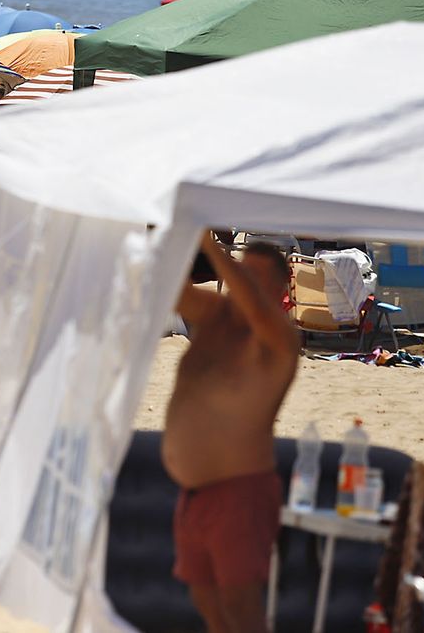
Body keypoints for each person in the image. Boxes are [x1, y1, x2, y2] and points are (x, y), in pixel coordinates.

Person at [165, 233, 301, 633]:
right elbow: (173, 291)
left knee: (241, 609)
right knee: (207, 603)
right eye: (243, 274)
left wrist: (211, 247)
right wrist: (172, 233)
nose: (244, 283)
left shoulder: (278, 337)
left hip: (241, 493)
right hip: (196, 494)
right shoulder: (218, 314)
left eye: (255, 278)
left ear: (279, 292)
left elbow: (256, 307)